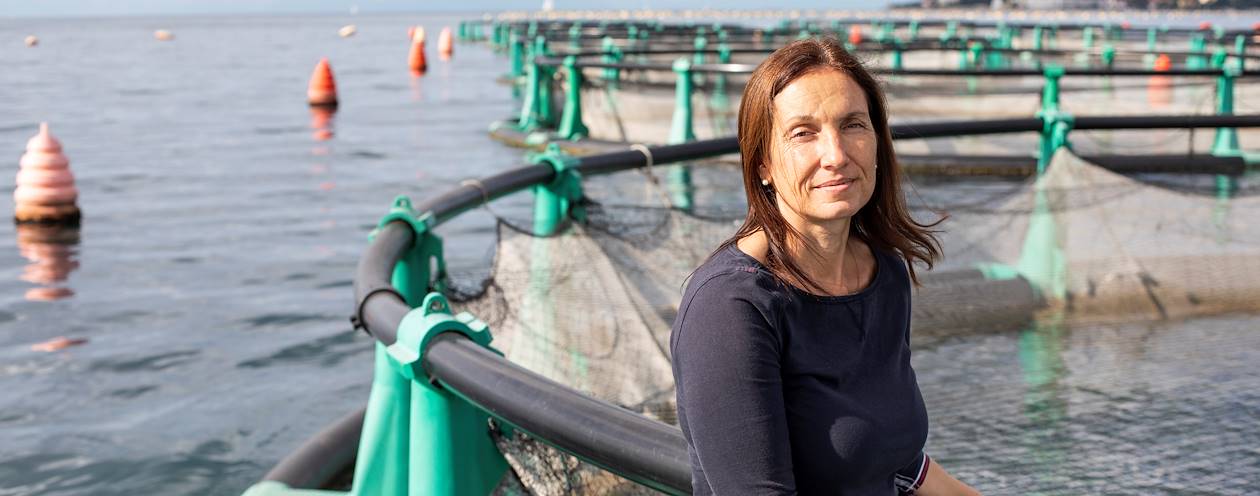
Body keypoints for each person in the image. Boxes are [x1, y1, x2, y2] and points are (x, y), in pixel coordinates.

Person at [670, 37, 980, 496]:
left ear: (877, 141)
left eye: (853, 124)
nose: (836, 155)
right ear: (763, 165)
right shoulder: (731, 307)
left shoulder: (885, 274)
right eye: (803, 133)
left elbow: (896, 461)